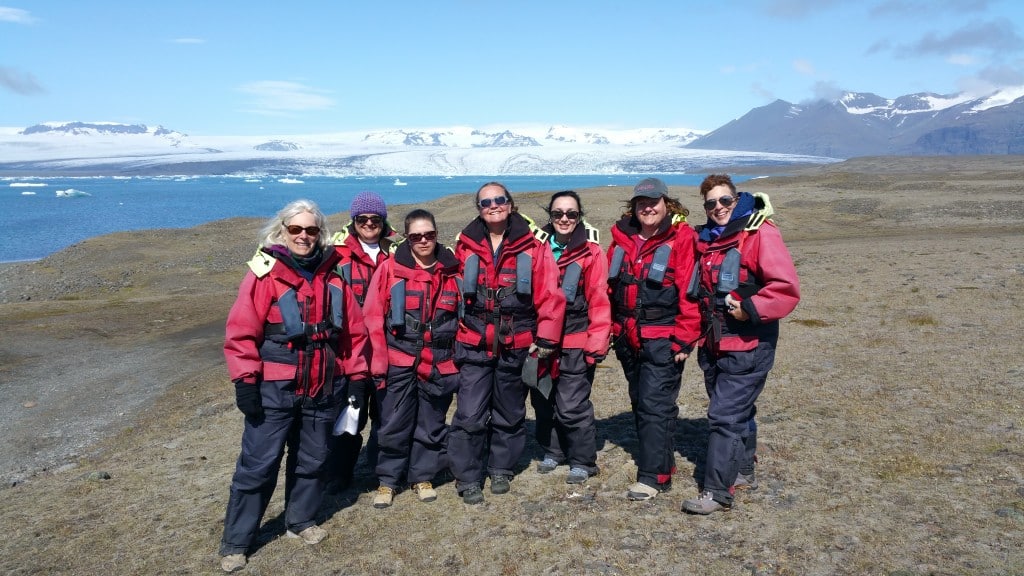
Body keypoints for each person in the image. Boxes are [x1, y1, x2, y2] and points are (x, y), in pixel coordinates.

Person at [219, 199, 371, 573]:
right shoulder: (263, 274)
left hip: (324, 387)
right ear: (283, 231)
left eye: (311, 229)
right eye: (296, 229)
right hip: (275, 389)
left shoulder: (335, 276)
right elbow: (241, 334)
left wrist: (357, 379)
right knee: (258, 465)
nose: (304, 236)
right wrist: (245, 382)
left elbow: (353, 334)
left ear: (320, 233)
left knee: (314, 460)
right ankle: (237, 542)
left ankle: (300, 520)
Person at [681, 174, 800, 515]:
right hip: (716, 344)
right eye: (710, 203)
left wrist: (750, 309)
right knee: (738, 411)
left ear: (736, 200)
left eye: (724, 201)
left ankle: (717, 492)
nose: (717, 208)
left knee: (724, 416)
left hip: (749, 343)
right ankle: (744, 470)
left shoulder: (760, 233)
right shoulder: (707, 241)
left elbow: (785, 287)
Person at [449, 181, 566, 504]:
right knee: (470, 413)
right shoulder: (464, 244)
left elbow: (551, 295)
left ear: (511, 204)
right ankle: (468, 475)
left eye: (499, 200)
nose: (494, 206)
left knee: (510, 411)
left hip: (518, 342)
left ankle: (501, 467)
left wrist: (546, 338)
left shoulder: (534, 245)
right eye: (486, 202)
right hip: (474, 340)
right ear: (479, 209)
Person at [607, 177, 701, 501]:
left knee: (654, 405)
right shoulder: (621, 238)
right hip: (627, 338)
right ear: (633, 207)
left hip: (663, 338)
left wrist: (684, 340)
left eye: (654, 201)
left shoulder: (682, 239)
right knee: (642, 402)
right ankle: (664, 463)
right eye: (641, 203)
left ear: (666, 203)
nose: (648, 207)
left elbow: (691, 291)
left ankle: (653, 477)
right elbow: (607, 287)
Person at [362, 209, 461, 508]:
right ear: (406, 237)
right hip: (399, 358)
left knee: (431, 422)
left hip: (439, 360)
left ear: (436, 234)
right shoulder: (390, 269)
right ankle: (388, 480)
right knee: (393, 422)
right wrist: (378, 361)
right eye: (416, 235)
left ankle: (422, 475)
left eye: (429, 234)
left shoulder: (453, 269)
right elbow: (372, 316)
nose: (423, 240)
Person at [528, 190, 610, 485]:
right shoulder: (535, 249)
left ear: (580, 217)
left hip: (576, 338)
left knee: (572, 404)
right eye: (558, 213)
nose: (564, 219)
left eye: (571, 214)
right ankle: (553, 451)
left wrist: (598, 341)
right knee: (543, 399)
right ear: (549, 216)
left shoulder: (592, 253)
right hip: (539, 341)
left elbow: (599, 298)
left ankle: (582, 460)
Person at [326, 191, 398, 493]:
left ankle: (382, 469)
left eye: (375, 219)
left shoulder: (397, 251)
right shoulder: (335, 253)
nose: (369, 224)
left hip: (388, 349)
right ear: (353, 220)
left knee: (388, 414)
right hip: (350, 350)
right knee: (349, 414)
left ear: (383, 220)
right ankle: (339, 474)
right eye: (362, 219)